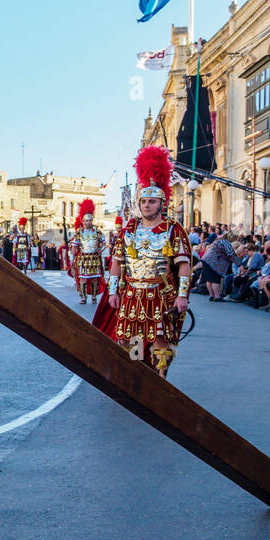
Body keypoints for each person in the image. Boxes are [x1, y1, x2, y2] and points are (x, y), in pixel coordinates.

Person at [107, 147, 192, 379]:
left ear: (161, 203)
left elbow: (184, 265)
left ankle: (160, 379)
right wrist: (112, 292)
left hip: (161, 292)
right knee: (129, 338)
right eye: (144, 201)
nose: (146, 205)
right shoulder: (129, 230)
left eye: (152, 201)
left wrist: (182, 296)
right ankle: (135, 377)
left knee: (160, 338)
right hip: (132, 292)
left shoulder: (173, 230)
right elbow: (116, 263)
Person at [71, 199, 103, 305]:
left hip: (94, 258)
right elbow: (74, 246)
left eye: (90, 220)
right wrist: (72, 259)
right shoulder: (79, 233)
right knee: (83, 279)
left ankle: (94, 297)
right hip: (83, 258)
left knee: (94, 279)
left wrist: (100, 250)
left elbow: (103, 243)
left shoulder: (97, 232)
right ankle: (83, 297)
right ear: (83, 221)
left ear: (92, 221)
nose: (88, 222)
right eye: (86, 220)